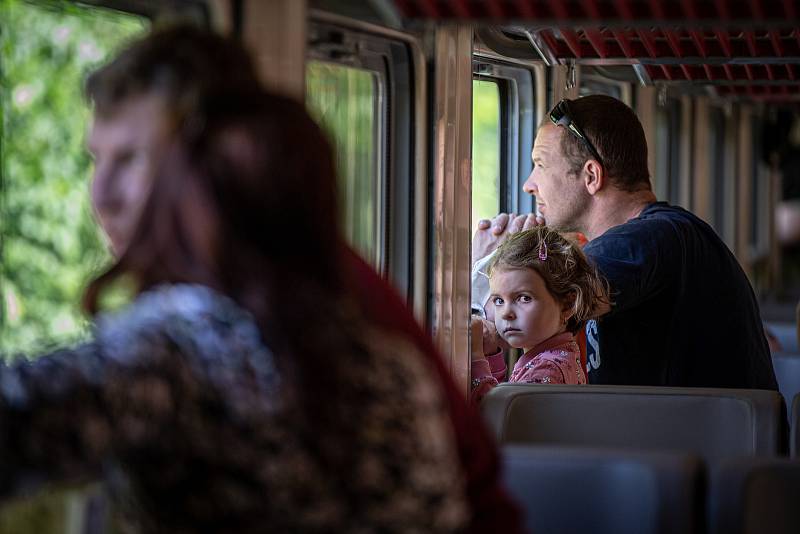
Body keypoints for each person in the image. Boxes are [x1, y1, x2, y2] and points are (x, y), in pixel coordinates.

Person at [0, 27, 524, 532]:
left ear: (211, 162)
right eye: (97, 160)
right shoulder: (364, 335)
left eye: (134, 159)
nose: (102, 196)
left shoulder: (183, 343)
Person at [473, 95, 778, 390]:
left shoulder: (650, 239)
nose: (529, 184)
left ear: (591, 175)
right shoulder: (660, 236)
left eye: (540, 164)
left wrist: (482, 269)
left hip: (698, 440)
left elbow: (540, 308)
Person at [470, 227, 608, 403]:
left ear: (567, 305)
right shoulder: (557, 354)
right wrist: (491, 356)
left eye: (524, 298)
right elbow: (508, 401)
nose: (506, 313)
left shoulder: (547, 368)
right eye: (498, 300)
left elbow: (494, 419)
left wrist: (476, 358)